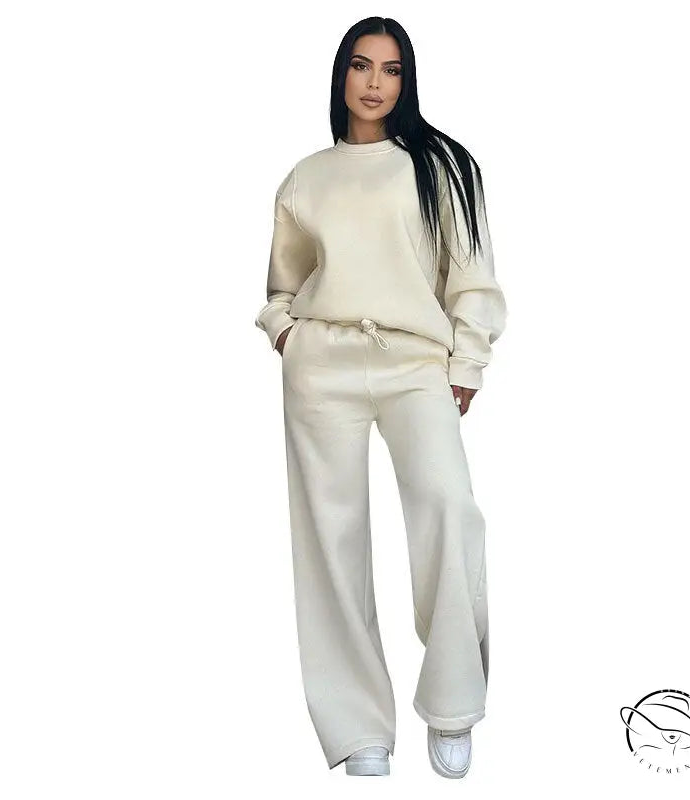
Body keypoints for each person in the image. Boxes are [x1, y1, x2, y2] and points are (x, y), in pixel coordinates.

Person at [255, 16, 507, 778]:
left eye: (391, 69)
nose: (374, 83)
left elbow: (472, 277)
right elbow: (283, 283)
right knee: (330, 540)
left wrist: (467, 363)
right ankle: (359, 725)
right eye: (361, 66)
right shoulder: (306, 178)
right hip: (322, 365)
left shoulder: (442, 166)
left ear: (407, 80)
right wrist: (285, 333)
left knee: (449, 508)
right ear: (341, 76)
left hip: (414, 363)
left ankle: (454, 700)